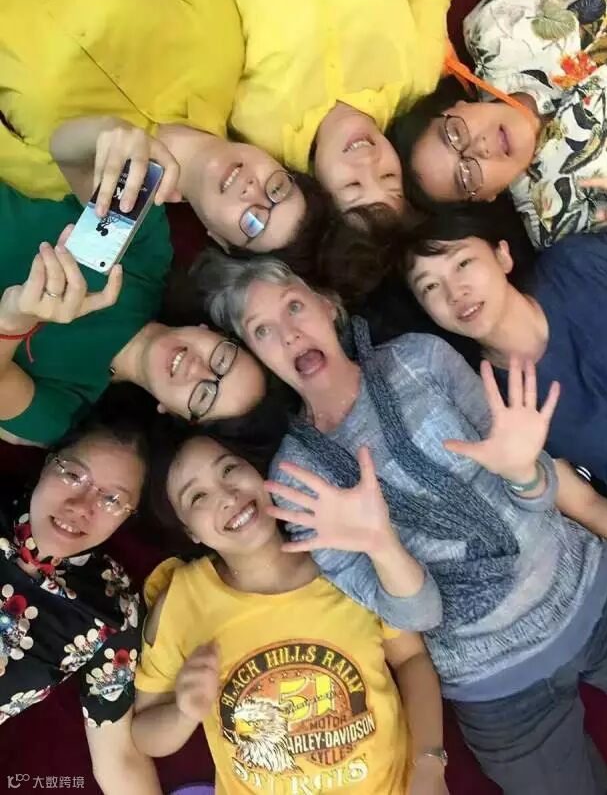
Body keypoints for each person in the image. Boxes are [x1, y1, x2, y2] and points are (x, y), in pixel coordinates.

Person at [200, 253, 607, 795]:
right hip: (497, 687)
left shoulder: (419, 358)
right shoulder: (295, 480)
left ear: (327, 306)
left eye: (294, 307)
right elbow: (421, 615)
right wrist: (381, 543)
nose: (289, 334)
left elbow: (540, 493)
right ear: (259, 356)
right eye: (263, 330)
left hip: (595, 592)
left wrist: (525, 471)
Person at [133, 428, 449, 794]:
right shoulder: (182, 599)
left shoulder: (342, 560)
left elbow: (410, 659)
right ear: (190, 532)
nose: (228, 496)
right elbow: (145, 735)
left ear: (258, 471)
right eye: (198, 496)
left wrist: (429, 766)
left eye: (230, 469)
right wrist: (183, 712)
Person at [2, 0, 339, 262]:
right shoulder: (219, 46)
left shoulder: (70, 177)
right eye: (277, 188)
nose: (255, 191)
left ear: (218, 240)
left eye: (253, 222)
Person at [183, 0, 471, 216]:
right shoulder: (417, 78)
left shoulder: (259, 135)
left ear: (320, 192)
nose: (368, 163)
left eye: (352, 186)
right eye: (388, 177)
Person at [389, 0, 607, 248]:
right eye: (466, 176)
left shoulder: (492, 29)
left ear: (458, 106)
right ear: (485, 198)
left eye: (454, 134)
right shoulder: (555, 220)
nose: (479, 148)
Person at [399, 204, 607, 504]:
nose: (455, 292)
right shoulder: (489, 402)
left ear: (503, 256)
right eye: (430, 286)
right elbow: (590, 507)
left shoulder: (580, 266)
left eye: (463, 263)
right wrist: (525, 476)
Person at [0, 183, 265, 446]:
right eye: (223, 359)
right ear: (211, 330)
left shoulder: (62, 409)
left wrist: (13, 323)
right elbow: (85, 167)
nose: (198, 369)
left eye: (205, 397)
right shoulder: (150, 255)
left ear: (175, 414)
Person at [0, 417, 161, 794]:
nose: (81, 506)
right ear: (47, 460)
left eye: (112, 500)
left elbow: (118, 759)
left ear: (130, 516)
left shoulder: (112, 610)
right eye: (73, 475)